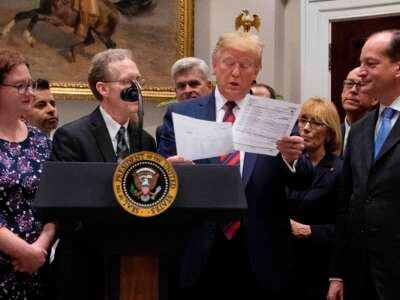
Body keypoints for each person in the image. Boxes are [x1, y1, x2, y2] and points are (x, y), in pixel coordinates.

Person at [158, 31, 313, 299]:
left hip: (260, 252)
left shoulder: (275, 114)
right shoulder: (181, 113)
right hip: (200, 248)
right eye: (229, 63)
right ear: (215, 64)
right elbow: (162, 177)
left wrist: (291, 159)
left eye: (246, 65)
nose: (236, 72)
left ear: (257, 70)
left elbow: (303, 180)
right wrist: (172, 170)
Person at [50, 48, 156, 299]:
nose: (136, 89)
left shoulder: (146, 140)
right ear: (103, 89)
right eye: (127, 82)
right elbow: (66, 208)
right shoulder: (72, 137)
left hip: (136, 263)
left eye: (139, 81)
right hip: (85, 264)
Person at [328, 29, 400, 300]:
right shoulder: (358, 130)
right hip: (359, 276)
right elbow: (346, 205)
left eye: (370, 64)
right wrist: (338, 273)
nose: (360, 73)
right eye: (360, 64)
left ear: (397, 68)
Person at [0, 48, 56, 299]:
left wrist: (39, 249)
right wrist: (22, 251)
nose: (30, 93)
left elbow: (57, 201)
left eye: (30, 84)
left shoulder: (41, 142)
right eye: (20, 86)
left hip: (37, 268)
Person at [287, 97, 342, 300]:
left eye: (316, 123)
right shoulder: (286, 165)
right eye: (303, 120)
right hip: (284, 264)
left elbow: (347, 225)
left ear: (329, 133)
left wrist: (310, 231)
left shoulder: (340, 170)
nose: (306, 128)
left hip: (318, 266)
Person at [156, 57, 212, 145]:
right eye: (181, 86)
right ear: (176, 92)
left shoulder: (224, 120)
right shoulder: (166, 130)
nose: (187, 91)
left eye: (194, 84)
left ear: (209, 87)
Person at [340, 67, 378, 152]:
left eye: (361, 85)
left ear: (375, 98)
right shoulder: (332, 136)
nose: (353, 90)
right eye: (349, 83)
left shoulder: (379, 136)